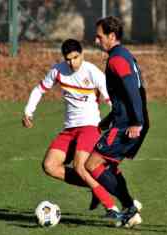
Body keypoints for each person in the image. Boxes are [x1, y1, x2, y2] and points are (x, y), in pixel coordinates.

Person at [78, 16, 149, 228]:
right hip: (125, 121)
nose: (96, 40)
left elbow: (133, 92)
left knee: (91, 164)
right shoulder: (124, 55)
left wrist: (136, 121)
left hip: (127, 125)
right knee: (110, 167)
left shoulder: (117, 59)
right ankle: (129, 208)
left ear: (112, 36)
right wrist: (108, 119)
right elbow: (128, 94)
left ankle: (129, 207)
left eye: (100, 37)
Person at [22, 38, 111, 197]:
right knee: (49, 166)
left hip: (90, 126)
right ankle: (103, 186)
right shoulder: (58, 71)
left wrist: (120, 123)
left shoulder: (93, 72)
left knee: (80, 167)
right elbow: (39, 90)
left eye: (76, 58)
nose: (72, 63)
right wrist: (29, 111)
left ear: (82, 54)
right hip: (69, 129)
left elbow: (111, 99)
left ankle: (112, 205)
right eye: (68, 59)